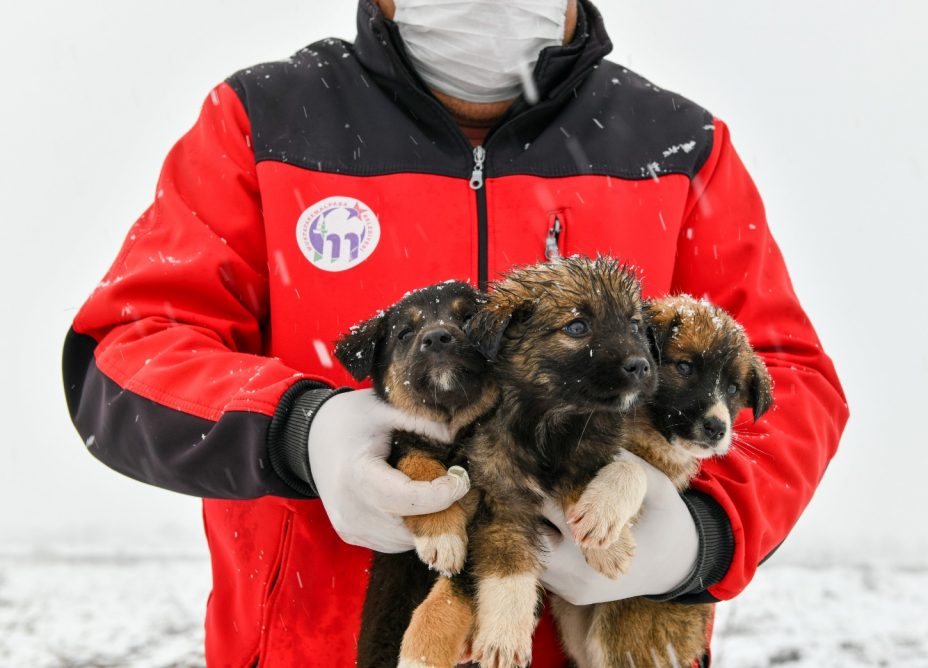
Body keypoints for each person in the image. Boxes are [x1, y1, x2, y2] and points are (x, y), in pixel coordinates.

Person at [61, 0, 849, 665]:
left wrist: (702, 533)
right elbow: (124, 352)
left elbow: (790, 378)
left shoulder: (674, 147)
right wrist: (302, 429)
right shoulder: (265, 122)